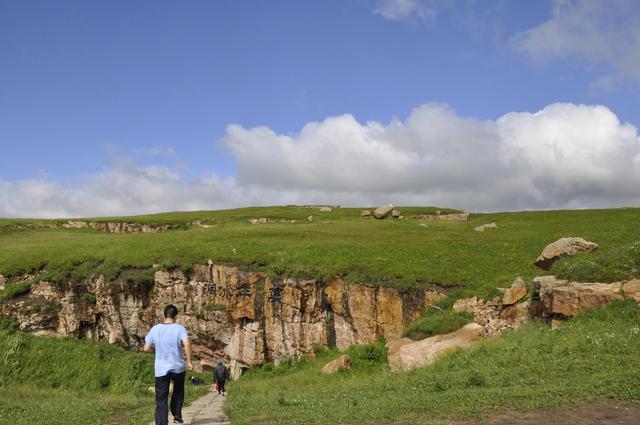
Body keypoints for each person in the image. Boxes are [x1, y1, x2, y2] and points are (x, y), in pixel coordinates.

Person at [144, 304, 193, 425]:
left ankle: (161, 423)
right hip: (178, 367)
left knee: (161, 399)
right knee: (178, 390)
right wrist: (189, 361)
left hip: (161, 369)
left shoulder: (155, 329)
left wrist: (158, 347)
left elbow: (146, 348)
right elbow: (186, 344)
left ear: (164, 315)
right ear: (175, 316)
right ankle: (177, 415)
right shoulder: (180, 328)